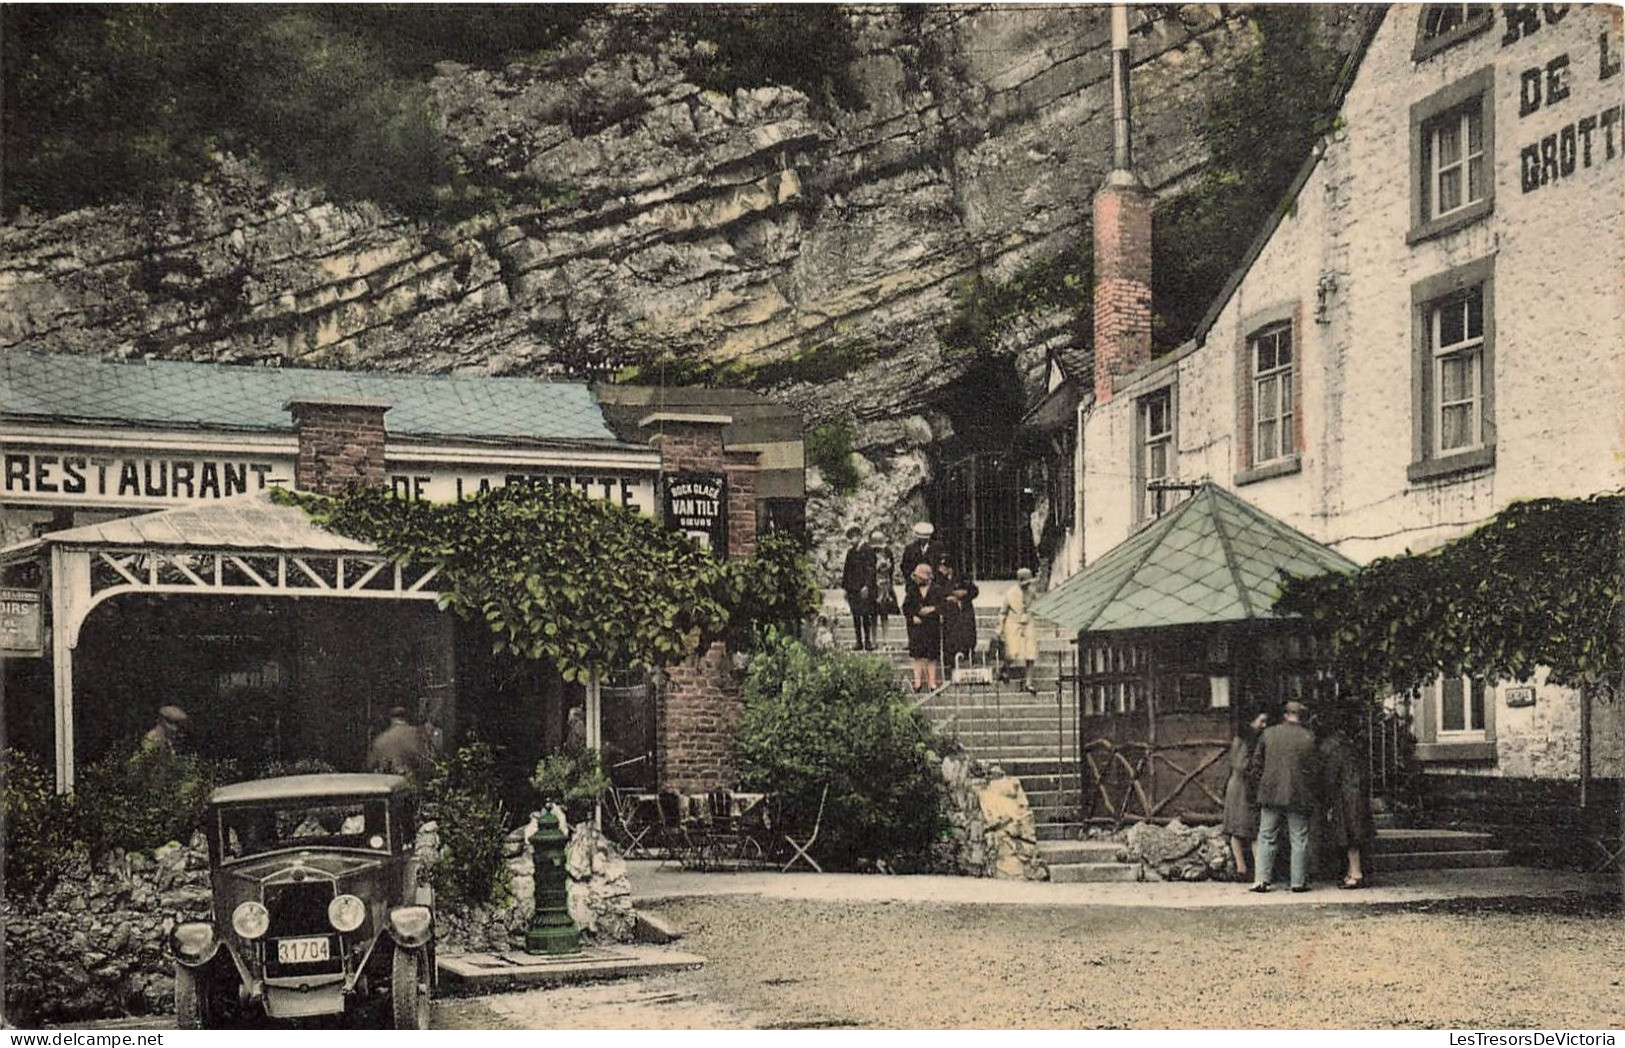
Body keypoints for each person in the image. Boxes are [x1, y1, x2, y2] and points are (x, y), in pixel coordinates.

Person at [1246, 700, 1320, 893]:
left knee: (1266, 836)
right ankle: (1298, 882)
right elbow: (1314, 771)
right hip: (1298, 795)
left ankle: (1261, 880)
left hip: (1270, 793)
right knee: (1299, 838)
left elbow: (1256, 765)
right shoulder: (1308, 738)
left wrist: (1261, 786)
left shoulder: (1268, 734)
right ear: (1300, 716)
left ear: (1285, 715)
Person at [1318, 711, 1375, 889]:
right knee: (1354, 834)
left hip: (1344, 797)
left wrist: (1327, 800)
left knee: (1349, 835)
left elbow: (1330, 778)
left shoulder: (1334, 749)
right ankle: (1353, 872)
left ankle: (1355, 873)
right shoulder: (1354, 748)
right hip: (1356, 795)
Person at [1223, 710, 1270, 882]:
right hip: (1242, 787)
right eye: (1261, 721)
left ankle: (1250, 869)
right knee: (1245, 829)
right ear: (1252, 721)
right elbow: (1240, 765)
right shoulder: (1244, 741)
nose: (1264, 726)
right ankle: (1244, 868)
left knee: (1246, 829)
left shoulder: (1247, 739)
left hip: (1240, 785)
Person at [901, 562, 946, 692]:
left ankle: (932, 682)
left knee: (932, 655)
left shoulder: (936, 590)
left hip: (931, 626)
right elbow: (905, 607)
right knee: (917, 655)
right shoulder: (912, 590)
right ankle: (918, 682)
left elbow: (943, 606)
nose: (917, 580)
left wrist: (932, 609)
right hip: (916, 628)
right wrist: (912, 617)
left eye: (920, 578)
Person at [367, 706, 434, 782]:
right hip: (412, 785)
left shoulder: (380, 740)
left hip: (387, 785)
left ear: (390, 719)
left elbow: (370, 765)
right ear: (406, 718)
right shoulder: (417, 734)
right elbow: (429, 761)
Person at [999, 568, 1040, 692]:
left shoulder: (1032, 592)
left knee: (1030, 651)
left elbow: (1037, 605)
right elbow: (1003, 612)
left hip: (1028, 621)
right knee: (1012, 651)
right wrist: (1001, 627)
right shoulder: (1010, 593)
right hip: (1013, 622)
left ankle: (1029, 682)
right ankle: (1005, 669)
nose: (1027, 585)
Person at [936, 555, 979, 671]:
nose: (941, 569)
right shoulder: (939, 580)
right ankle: (949, 661)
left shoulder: (962, 577)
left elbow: (974, 590)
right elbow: (937, 594)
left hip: (964, 611)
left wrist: (964, 593)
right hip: (949, 613)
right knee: (950, 636)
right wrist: (948, 598)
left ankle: (968, 654)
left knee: (967, 633)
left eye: (943, 566)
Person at [840, 524, 878, 651]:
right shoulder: (851, 552)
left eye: (852, 537)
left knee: (866, 614)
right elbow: (847, 571)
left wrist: (867, 585)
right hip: (853, 588)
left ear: (859, 536)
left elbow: (871, 570)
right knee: (856, 615)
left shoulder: (868, 550)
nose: (851, 541)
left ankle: (867, 640)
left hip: (864, 588)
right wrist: (845, 588)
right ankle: (858, 641)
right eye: (849, 538)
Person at [870, 530, 899, 644]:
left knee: (884, 613)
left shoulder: (888, 552)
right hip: (873, 586)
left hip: (885, 585)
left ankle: (886, 638)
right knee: (873, 614)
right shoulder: (869, 553)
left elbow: (892, 569)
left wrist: (887, 567)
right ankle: (874, 639)